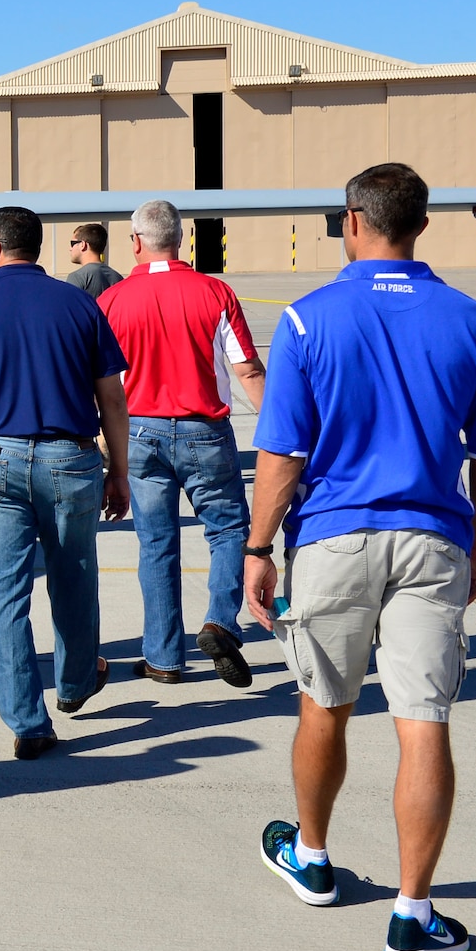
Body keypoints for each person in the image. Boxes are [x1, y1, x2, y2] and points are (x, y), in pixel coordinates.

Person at [246, 163, 476, 951]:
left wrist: (258, 548)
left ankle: (314, 857)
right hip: (431, 535)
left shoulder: (304, 320)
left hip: (333, 538)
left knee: (323, 703)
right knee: (423, 719)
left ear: (353, 221)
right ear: (420, 224)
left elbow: (282, 454)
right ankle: (412, 912)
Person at [0, 206, 130, 759]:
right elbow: (111, 396)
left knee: (6, 594)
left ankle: (27, 720)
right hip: (70, 458)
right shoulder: (79, 306)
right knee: (74, 577)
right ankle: (72, 685)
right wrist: (119, 469)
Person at [99, 201, 266, 688]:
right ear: (182, 238)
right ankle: (219, 621)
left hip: (140, 430)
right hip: (204, 430)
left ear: (135, 241)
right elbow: (247, 369)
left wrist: (108, 449)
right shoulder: (215, 292)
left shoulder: (112, 301)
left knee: (156, 544)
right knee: (228, 530)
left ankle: (163, 657)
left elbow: (102, 382)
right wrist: (280, 430)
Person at [65, 223, 125, 297]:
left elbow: (70, 306)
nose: (70, 248)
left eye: (72, 243)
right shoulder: (118, 277)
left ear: (83, 245)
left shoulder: (77, 277)